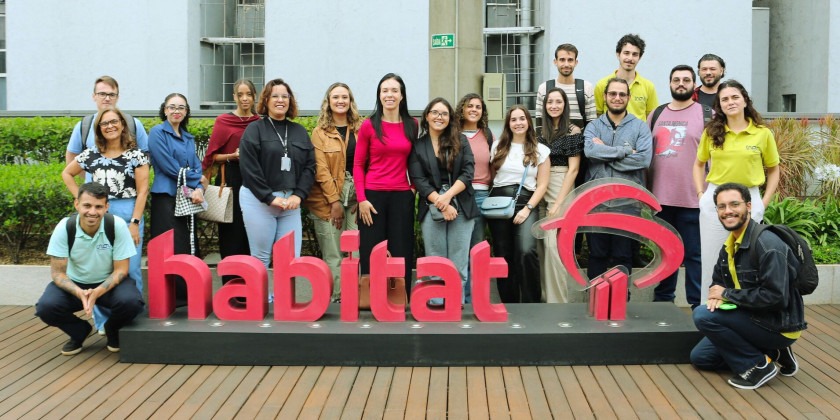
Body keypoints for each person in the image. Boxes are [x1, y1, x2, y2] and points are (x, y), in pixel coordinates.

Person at [690, 183, 806, 390]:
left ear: (749, 206)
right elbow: (717, 281)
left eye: (735, 204)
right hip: (752, 317)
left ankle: (758, 366)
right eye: (722, 206)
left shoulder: (767, 245)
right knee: (702, 358)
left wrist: (726, 294)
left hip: (779, 324)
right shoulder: (730, 244)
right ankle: (773, 352)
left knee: (702, 315)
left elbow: (776, 297)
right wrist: (718, 293)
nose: (728, 211)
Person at [61, 107, 148, 334]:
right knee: (101, 269)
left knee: (131, 269)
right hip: (99, 215)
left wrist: (135, 223)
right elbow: (67, 173)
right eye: (104, 123)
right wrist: (81, 199)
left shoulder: (136, 155)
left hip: (129, 213)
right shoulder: (91, 153)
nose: (110, 126)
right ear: (99, 129)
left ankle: (131, 320)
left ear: (122, 124)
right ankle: (103, 323)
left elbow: (143, 190)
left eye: (114, 122)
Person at [693, 80, 779, 303]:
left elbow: (773, 169)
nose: (730, 102)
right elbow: (698, 164)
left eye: (734, 97)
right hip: (715, 199)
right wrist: (701, 196)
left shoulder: (762, 134)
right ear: (719, 106)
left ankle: (743, 311)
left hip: (748, 201)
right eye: (724, 99)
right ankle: (707, 310)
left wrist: (763, 202)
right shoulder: (712, 132)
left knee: (746, 259)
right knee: (712, 259)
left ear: (745, 100)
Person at [35, 182, 144, 355]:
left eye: (98, 206)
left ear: (106, 207)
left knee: (132, 303)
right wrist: (80, 292)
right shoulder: (64, 227)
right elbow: (57, 274)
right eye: (87, 205)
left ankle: (112, 329)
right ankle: (79, 331)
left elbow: (121, 270)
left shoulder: (116, 226)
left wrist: (97, 292)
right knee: (46, 308)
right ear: (76, 204)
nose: (92, 212)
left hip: (109, 283)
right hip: (75, 284)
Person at [239, 78, 315, 269]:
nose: (280, 100)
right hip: (259, 202)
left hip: (290, 204)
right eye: (275, 96)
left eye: (285, 96)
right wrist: (269, 197)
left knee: (290, 260)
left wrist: (299, 195)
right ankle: (261, 299)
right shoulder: (254, 129)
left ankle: (283, 299)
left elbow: (310, 166)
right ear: (266, 100)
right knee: (261, 258)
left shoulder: (299, 131)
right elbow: (249, 168)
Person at [408, 97, 477, 305]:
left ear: (450, 118)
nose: (440, 117)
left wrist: (447, 198)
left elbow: (468, 171)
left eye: (444, 113)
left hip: (462, 206)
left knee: (458, 260)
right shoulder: (418, 146)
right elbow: (418, 179)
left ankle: (455, 305)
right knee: (435, 259)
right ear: (427, 116)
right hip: (431, 208)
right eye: (435, 112)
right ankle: (437, 304)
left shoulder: (461, 140)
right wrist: (441, 203)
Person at [647, 65, 705, 308]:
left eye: (686, 80)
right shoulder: (657, 113)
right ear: (669, 83)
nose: (680, 83)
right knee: (665, 254)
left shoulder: (706, 113)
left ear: (694, 84)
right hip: (660, 199)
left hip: (693, 198)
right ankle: (663, 303)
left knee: (694, 256)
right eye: (676, 79)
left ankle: (697, 305)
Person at [584, 78, 652, 281]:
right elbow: (590, 151)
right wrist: (624, 151)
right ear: (605, 97)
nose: (617, 98)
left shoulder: (640, 127)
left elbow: (643, 159)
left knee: (623, 255)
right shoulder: (593, 126)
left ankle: (620, 302)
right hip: (597, 202)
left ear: (628, 98)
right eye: (613, 93)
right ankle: (595, 301)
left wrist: (604, 155)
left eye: (622, 94)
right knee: (597, 255)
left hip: (628, 203)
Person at [354, 73, 418, 290]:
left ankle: (400, 297)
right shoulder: (369, 126)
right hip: (372, 198)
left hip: (402, 197)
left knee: (402, 249)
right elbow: (358, 165)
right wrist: (361, 199)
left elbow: (415, 162)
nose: (389, 95)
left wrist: (413, 188)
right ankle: (373, 298)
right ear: (379, 95)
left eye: (394, 90)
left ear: (402, 96)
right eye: (384, 90)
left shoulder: (412, 125)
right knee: (372, 250)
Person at [304, 82, 361, 302]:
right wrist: (334, 202)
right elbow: (321, 170)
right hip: (328, 200)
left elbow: (368, 163)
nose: (340, 101)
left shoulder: (360, 128)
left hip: (356, 196)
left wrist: (363, 197)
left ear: (350, 101)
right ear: (328, 102)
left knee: (355, 252)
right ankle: (338, 299)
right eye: (335, 97)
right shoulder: (319, 133)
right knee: (333, 252)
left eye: (345, 97)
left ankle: (354, 296)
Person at [488, 105, 550, 303]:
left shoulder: (541, 150)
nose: (518, 123)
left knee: (526, 251)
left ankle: (532, 303)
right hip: (499, 204)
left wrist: (527, 209)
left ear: (528, 122)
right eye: (513, 119)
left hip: (526, 202)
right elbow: (492, 177)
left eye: (522, 118)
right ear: (508, 124)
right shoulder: (497, 146)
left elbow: (542, 185)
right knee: (503, 254)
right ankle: (509, 303)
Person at [201, 79, 260, 288]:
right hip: (231, 180)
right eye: (240, 94)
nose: (245, 99)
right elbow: (211, 157)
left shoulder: (260, 122)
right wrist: (231, 156)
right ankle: (231, 287)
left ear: (254, 97)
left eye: (249, 94)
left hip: (254, 181)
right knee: (232, 234)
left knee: (251, 232)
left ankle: (251, 286)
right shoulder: (223, 121)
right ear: (234, 97)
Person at [149, 93, 205, 305]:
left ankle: (189, 295)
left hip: (188, 197)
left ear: (186, 111)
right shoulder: (157, 133)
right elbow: (168, 166)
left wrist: (198, 187)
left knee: (187, 243)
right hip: (166, 197)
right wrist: (196, 179)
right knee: (169, 246)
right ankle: (170, 297)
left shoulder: (188, 137)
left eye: (181, 107)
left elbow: (197, 166)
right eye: (172, 107)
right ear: (164, 109)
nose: (176, 111)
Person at [538, 87, 583, 303]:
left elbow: (573, 169)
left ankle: (557, 302)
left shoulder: (573, 132)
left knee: (553, 247)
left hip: (561, 186)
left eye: (558, 101)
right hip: (540, 185)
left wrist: (558, 203)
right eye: (550, 102)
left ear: (565, 105)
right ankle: (545, 297)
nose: (554, 105)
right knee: (542, 247)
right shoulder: (540, 132)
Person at [66, 76, 149, 181]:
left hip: (128, 194)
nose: (107, 98)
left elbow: (146, 155)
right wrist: (89, 177)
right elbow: (71, 156)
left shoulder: (133, 124)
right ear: (94, 96)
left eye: (112, 94)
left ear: (117, 97)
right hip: (94, 195)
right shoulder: (84, 126)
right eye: (102, 94)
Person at [456, 93, 493, 303]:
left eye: (478, 107)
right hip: (458, 195)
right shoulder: (453, 134)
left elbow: (494, 166)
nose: (473, 110)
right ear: (462, 109)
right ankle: (457, 296)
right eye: (469, 106)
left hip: (480, 195)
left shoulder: (487, 135)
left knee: (475, 248)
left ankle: (473, 300)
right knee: (458, 247)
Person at [594, 34, 658, 120]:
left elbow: (652, 119)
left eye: (635, 54)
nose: (630, 58)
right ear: (618, 54)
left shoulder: (648, 86)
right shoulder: (602, 85)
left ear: (640, 57)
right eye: (626, 53)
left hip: (638, 133)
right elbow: (597, 116)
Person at [535, 43, 596, 130]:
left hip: (579, 142)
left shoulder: (586, 88)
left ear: (576, 62)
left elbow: (592, 124)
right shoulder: (544, 88)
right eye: (562, 60)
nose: (566, 64)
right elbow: (539, 124)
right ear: (555, 62)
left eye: (570, 60)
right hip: (549, 142)